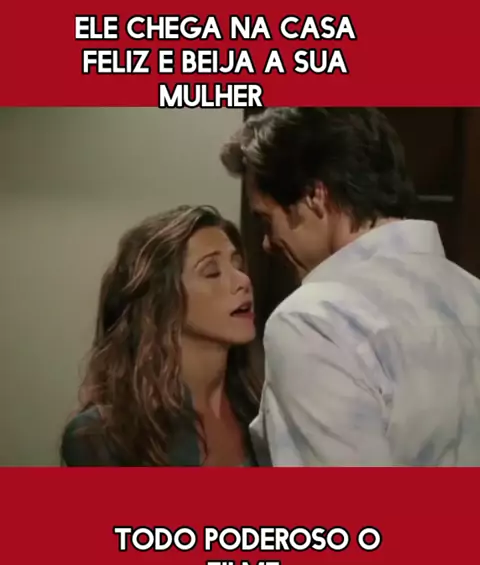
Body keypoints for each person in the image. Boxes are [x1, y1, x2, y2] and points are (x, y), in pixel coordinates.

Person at [221, 107, 480, 466]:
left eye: (268, 220)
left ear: (314, 197)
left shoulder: (315, 321)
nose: (267, 243)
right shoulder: (472, 293)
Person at [61, 205, 266, 466]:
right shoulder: (102, 437)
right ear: (163, 301)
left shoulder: (263, 408)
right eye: (212, 272)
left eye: (238, 265)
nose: (243, 281)